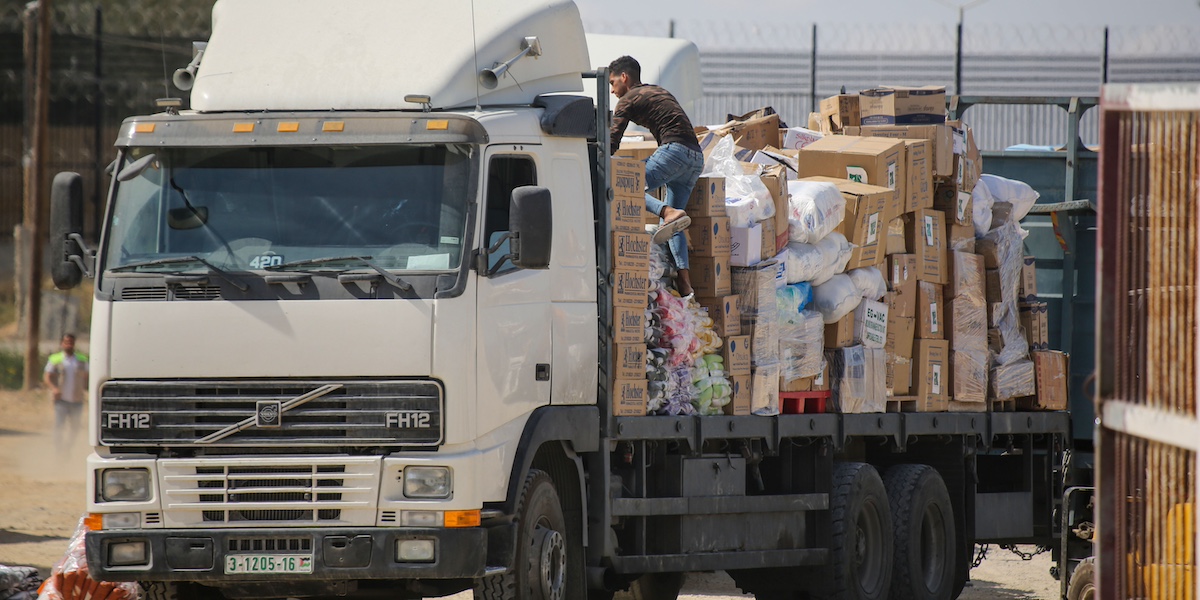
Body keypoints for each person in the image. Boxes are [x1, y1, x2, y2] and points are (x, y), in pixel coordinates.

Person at [609, 55, 704, 297]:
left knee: (626, 185)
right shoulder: (657, 90)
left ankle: (666, 211)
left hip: (675, 152)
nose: (612, 91)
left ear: (624, 77)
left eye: (612, 83)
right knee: (673, 226)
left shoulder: (628, 99)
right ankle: (685, 283)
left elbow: (612, 141)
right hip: (695, 157)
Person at [44, 333, 89, 450]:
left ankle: (68, 447)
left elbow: (87, 376)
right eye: (66, 342)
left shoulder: (81, 360)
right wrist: (54, 389)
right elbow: (47, 376)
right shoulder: (55, 359)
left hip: (77, 399)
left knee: (75, 427)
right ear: (62, 343)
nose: (69, 345)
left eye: (71, 342)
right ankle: (59, 450)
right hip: (61, 399)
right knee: (59, 426)